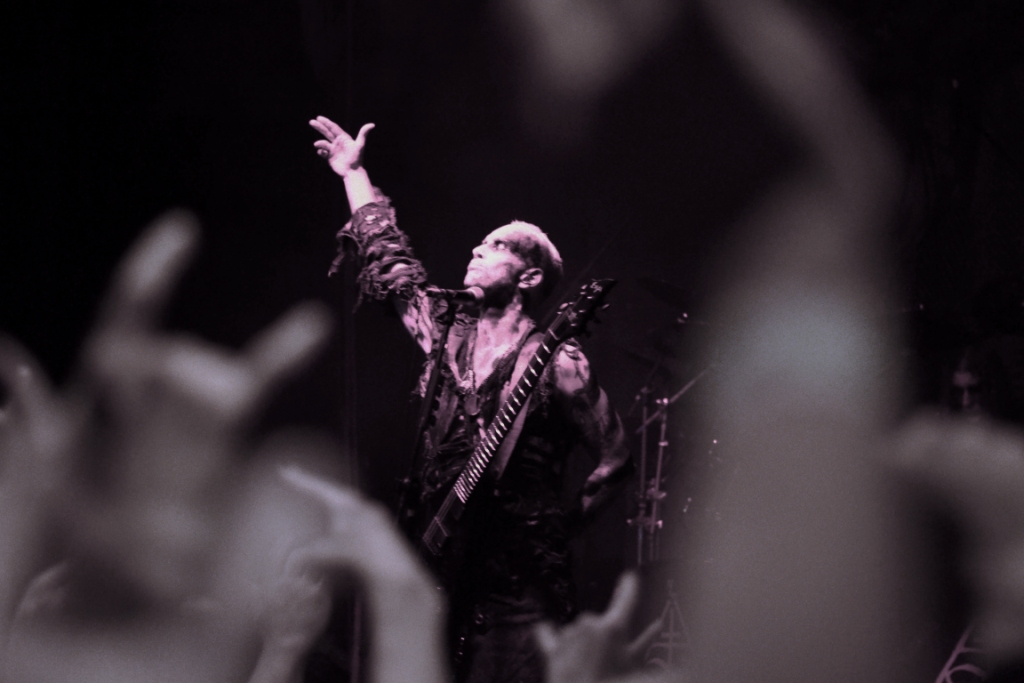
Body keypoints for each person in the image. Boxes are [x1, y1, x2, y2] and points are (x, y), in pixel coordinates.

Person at [309, 116, 632, 683]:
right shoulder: (445, 331)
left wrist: (557, 531)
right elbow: (390, 262)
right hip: (439, 567)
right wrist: (354, 175)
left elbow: (614, 459)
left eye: (497, 246)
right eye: (479, 243)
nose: (477, 251)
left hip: (518, 592)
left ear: (529, 278)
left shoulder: (559, 363)